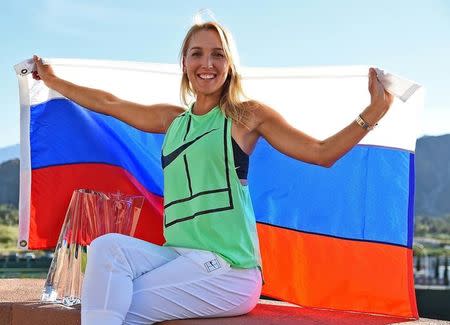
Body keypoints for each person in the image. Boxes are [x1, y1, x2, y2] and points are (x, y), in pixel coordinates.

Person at [32, 21, 393, 325]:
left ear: (230, 64)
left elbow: (321, 153)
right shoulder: (172, 121)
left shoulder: (244, 116)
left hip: (230, 271)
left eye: (218, 54)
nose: (207, 63)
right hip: (178, 257)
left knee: (116, 305)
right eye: (197, 53)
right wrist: (53, 80)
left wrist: (373, 112)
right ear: (185, 63)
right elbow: (109, 104)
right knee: (107, 248)